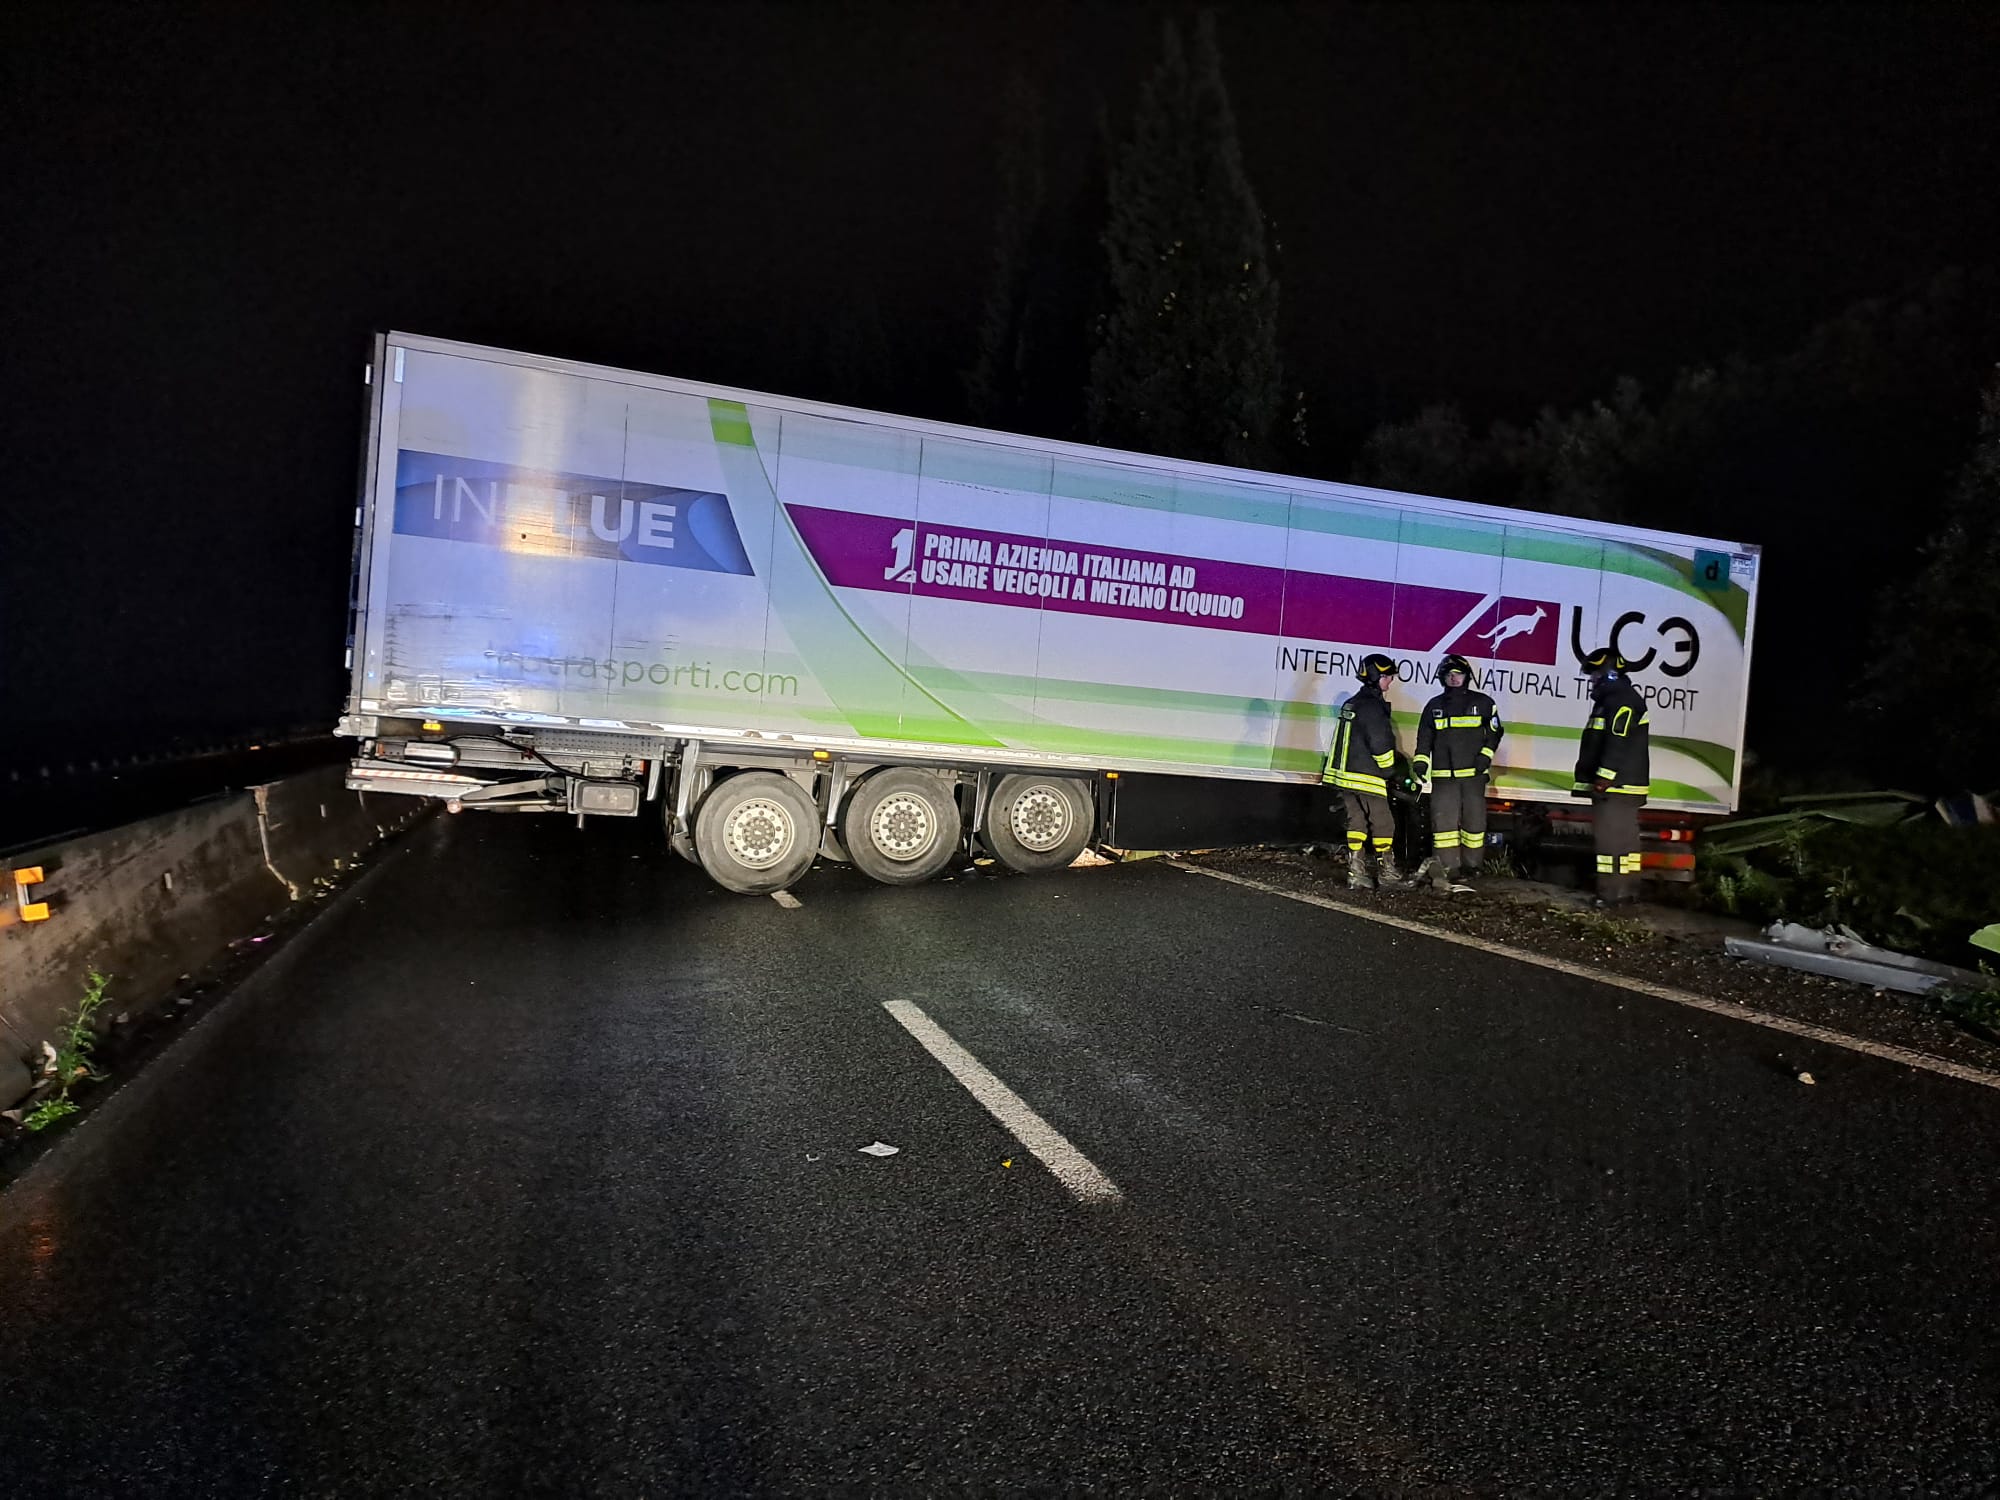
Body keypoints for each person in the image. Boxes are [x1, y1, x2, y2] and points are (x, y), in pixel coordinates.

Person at [1413, 653, 1504, 892]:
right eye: (1450, 675)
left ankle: (1473, 866)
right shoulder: (1434, 706)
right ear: (1443, 678)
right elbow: (1425, 738)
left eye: (1458, 674)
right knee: (1444, 824)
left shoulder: (1484, 703)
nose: (1454, 679)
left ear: (1467, 677)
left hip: (1473, 775)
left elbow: (1495, 732)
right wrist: (1421, 762)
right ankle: (1447, 867)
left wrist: (1486, 756)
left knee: (1474, 823)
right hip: (1444, 776)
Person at [1573, 646, 1651, 904]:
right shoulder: (1620, 699)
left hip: (1616, 786)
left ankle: (1609, 894)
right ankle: (1627, 891)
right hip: (1626, 784)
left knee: (1609, 844)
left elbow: (1617, 740)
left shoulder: (1619, 701)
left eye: (1595, 675)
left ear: (1609, 674)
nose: (1592, 681)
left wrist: (1604, 777)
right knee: (1626, 842)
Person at [1323, 653, 1407, 890]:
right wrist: (1391, 770)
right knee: (1382, 822)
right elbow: (1380, 742)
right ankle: (1388, 873)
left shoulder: (1353, 702)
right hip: (1367, 777)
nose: (1390, 681)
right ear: (1377, 677)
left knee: (1356, 821)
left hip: (1345, 777)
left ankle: (1356, 873)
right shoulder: (1372, 707)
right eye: (1388, 676)